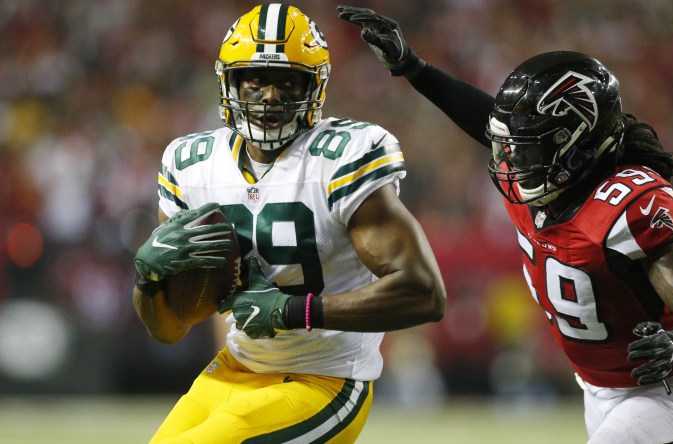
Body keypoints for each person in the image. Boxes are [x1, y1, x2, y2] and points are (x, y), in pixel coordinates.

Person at [338, 5, 673, 443]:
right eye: (512, 146)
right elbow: (487, 123)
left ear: (575, 145)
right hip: (601, 387)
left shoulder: (624, 206)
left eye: (527, 148)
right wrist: (412, 67)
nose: (511, 160)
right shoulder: (539, 181)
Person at [132, 4, 447, 443]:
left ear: (313, 86)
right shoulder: (191, 163)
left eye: (287, 81)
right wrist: (148, 278)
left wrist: (292, 311)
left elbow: (424, 292)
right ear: (229, 82)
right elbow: (167, 329)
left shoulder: (344, 156)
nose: (270, 96)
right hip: (237, 367)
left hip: (324, 380)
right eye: (255, 79)